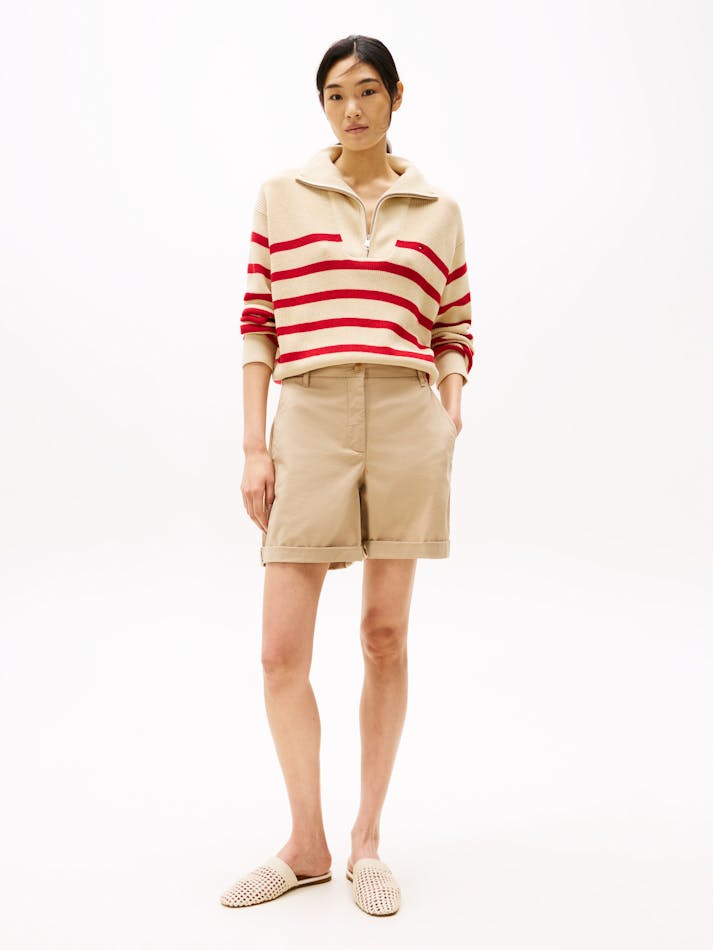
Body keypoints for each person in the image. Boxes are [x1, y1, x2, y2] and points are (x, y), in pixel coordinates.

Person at [220, 34, 474, 917]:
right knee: (279, 653)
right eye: (335, 94)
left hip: (405, 418)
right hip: (312, 415)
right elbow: (258, 322)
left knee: (382, 637)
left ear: (396, 96)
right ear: (321, 105)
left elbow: (454, 326)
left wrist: (447, 410)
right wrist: (254, 447)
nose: (351, 109)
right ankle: (306, 844)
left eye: (367, 91)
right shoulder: (281, 195)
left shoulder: (438, 209)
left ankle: (366, 841)